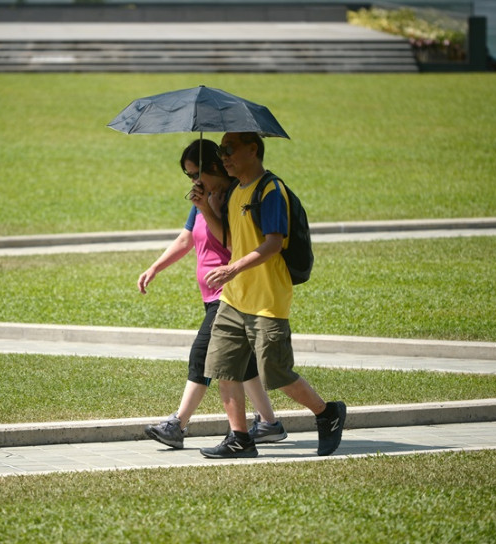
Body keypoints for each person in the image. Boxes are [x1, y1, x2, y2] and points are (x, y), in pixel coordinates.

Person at [199, 132, 346, 459]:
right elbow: (230, 240)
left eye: (229, 149)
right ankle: (239, 438)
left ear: (253, 149)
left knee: (275, 374)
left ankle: (327, 413)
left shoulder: (271, 191)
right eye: (222, 150)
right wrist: (205, 207)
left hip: (267, 299)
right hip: (234, 299)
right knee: (223, 367)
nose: (224, 156)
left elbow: (273, 243)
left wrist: (232, 269)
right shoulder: (236, 191)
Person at [138, 138, 286, 450]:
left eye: (196, 174)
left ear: (215, 167)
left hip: (230, 291)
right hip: (212, 295)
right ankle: (270, 424)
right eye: (189, 176)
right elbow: (185, 239)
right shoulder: (202, 199)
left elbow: (233, 245)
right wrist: (155, 267)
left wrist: (209, 208)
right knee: (241, 366)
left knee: (202, 355)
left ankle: (177, 424)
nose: (193, 181)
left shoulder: (235, 197)